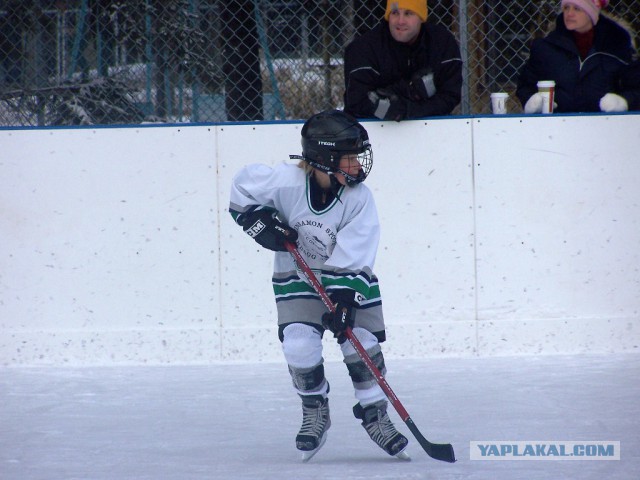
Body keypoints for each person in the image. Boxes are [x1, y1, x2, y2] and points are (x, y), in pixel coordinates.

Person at [229, 110, 410, 462]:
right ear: (325, 159)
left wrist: (343, 300)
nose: (358, 165)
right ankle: (315, 408)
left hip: (348, 280)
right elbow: (241, 194)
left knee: (362, 345)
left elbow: (357, 250)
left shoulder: (359, 199)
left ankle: (375, 414)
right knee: (298, 344)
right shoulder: (284, 183)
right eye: (349, 157)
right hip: (297, 277)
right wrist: (261, 225)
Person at [343, 0, 463, 121]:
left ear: (421, 17)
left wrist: (411, 110)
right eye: (395, 13)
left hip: (429, 129)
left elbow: (450, 94)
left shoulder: (442, 43)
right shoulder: (363, 48)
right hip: (374, 130)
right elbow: (357, 103)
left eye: (408, 13)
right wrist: (396, 103)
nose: (400, 21)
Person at [516, 0, 640, 113]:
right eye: (566, 8)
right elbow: (526, 85)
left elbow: (635, 88)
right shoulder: (546, 47)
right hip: (556, 128)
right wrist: (532, 101)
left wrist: (623, 102)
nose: (569, 13)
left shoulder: (618, 46)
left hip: (606, 128)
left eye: (577, 8)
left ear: (591, 11)